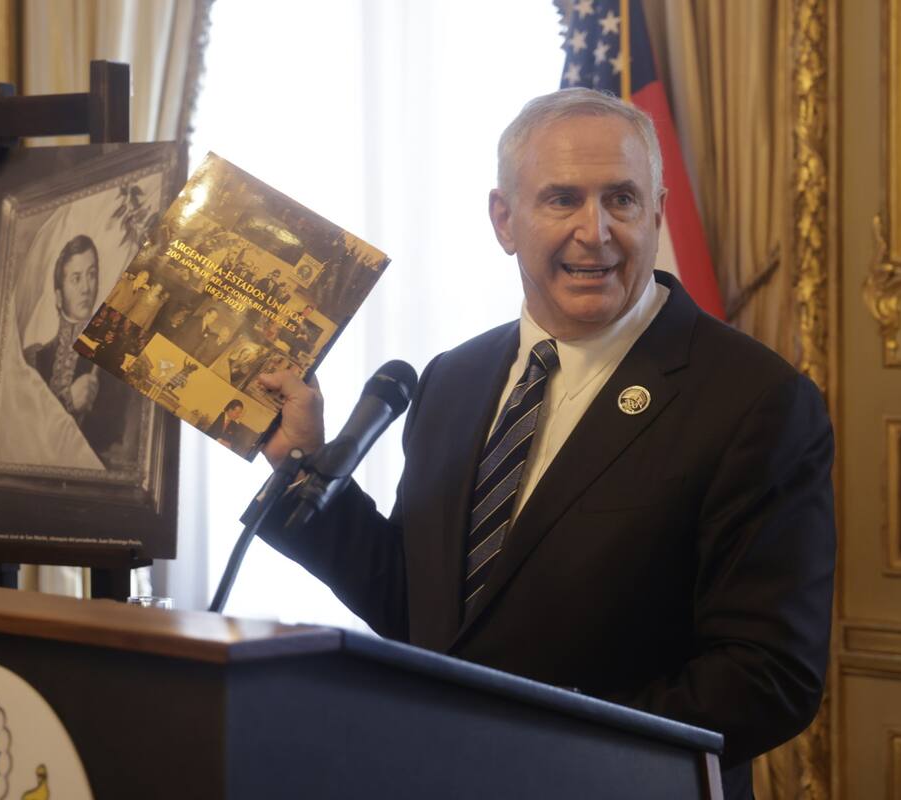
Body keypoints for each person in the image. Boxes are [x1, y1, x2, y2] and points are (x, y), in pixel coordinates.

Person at [256, 88, 835, 799]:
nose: (595, 232)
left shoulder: (756, 401)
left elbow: (768, 676)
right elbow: (424, 611)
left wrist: (544, 755)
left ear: (656, 213)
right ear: (504, 219)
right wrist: (303, 470)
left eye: (621, 200)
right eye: (562, 199)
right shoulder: (453, 379)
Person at [24, 234, 125, 458]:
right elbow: (24, 433)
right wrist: (68, 401)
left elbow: (120, 442)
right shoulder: (33, 359)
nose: (86, 288)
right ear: (58, 297)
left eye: (91, 275)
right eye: (76, 278)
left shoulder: (113, 355)